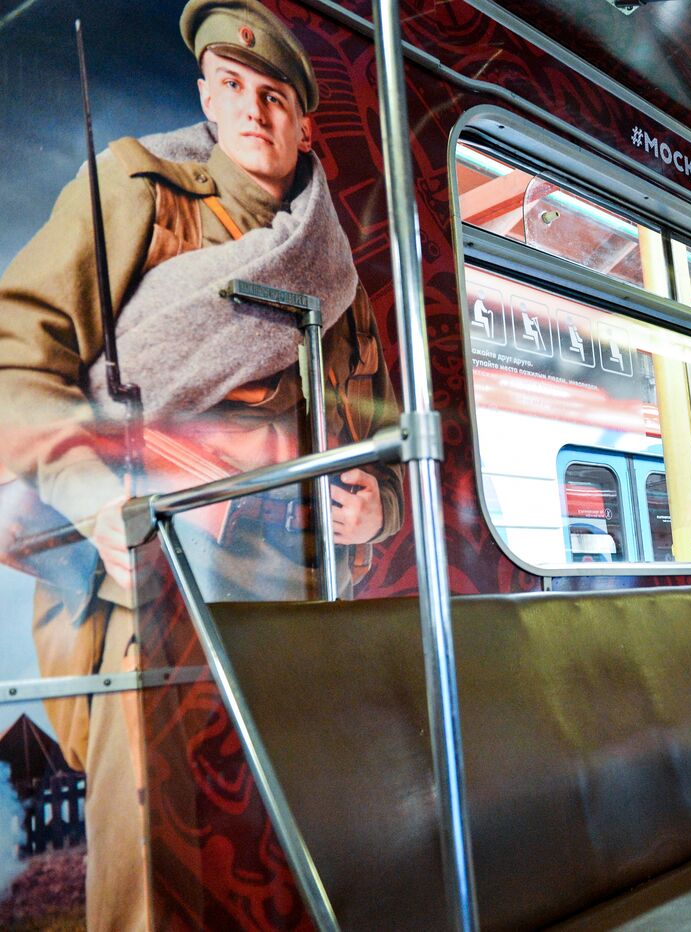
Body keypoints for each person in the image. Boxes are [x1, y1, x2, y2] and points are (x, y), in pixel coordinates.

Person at [0, 1, 403, 927]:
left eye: (273, 95)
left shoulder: (336, 272)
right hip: (148, 580)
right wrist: (92, 492)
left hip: (300, 598)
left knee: (299, 858)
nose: (254, 110)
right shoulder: (138, 193)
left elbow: (368, 422)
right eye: (233, 87)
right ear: (207, 101)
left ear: (304, 122)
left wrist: (377, 506)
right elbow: (19, 361)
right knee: (155, 871)